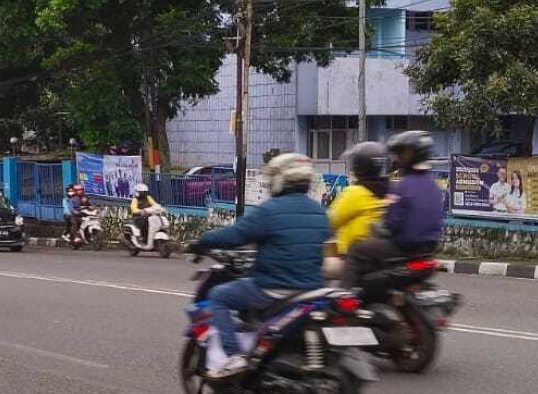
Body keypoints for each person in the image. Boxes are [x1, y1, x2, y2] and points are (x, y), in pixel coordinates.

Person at [190, 153, 329, 379]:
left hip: (273, 288)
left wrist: (202, 241)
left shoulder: (269, 210)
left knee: (218, 296)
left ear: (282, 179)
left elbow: (235, 234)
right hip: (311, 290)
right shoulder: (320, 212)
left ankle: (234, 355)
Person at [345, 131, 445, 288]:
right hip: (428, 250)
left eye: (402, 152)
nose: (399, 158)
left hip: (403, 249)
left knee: (357, 250)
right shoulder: (433, 185)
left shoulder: (403, 185)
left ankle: (344, 298)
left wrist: (374, 227)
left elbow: (392, 224)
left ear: (412, 153)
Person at [325, 142, 388, 283]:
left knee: (320, 268)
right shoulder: (389, 188)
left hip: (354, 260)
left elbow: (329, 221)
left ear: (359, 165)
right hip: (384, 257)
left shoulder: (355, 192)